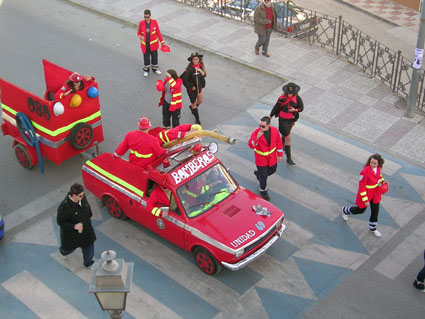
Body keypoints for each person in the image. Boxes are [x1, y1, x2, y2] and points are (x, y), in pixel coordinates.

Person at [342, 153, 386, 238]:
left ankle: (372, 228)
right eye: (371, 162)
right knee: (360, 210)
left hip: (375, 193)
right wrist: (365, 200)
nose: (372, 164)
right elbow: (361, 187)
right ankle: (345, 210)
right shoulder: (364, 172)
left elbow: (379, 176)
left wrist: (383, 181)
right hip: (367, 193)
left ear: (378, 164)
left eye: (374, 163)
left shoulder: (378, 168)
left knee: (375, 211)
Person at [57, 183, 96, 268]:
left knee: (89, 246)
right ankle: (63, 252)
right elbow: (60, 222)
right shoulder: (64, 207)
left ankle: (88, 263)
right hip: (73, 234)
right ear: (74, 195)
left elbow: (87, 206)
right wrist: (74, 226)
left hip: (86, 230)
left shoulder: (82, 198)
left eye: (83, 194)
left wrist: (89, 214)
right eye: (80, 196)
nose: (83, 197)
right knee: (68, 249)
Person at [248, 116, 283, 200]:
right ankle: (263, 190)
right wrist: (257, 138)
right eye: (259, 125)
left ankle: (258, 174)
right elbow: (251, 145)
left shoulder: (274, 131)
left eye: (263, 126)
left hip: (272, 157)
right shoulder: (256, 132)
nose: (260, 128)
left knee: (273, 170)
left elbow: (279, 143)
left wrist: (280, 154)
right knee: (264, 176)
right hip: (261, 159)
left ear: (268, 125)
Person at [270, 82, 304, 165]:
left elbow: (301, 108)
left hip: (291, 120)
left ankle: (281, 145)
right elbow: (276, 107)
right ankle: (289, 158)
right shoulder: (282, 98)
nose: (289, 95)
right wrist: (270, 116)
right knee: (288, 137)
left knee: (285, 135)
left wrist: (295, 110)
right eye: (288, 93)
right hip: (283, 121)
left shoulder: (297, 98)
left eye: (291, 93)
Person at [137, 9, 166, 77]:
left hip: (153, 45)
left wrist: (162, 42)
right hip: (145, 45)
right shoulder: (141, 23)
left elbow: (158, 33)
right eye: (145, 17)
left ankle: (155, 69)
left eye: (147, 17)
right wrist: (140, 36)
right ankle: (146, 70)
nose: (146, 19)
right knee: (146, 58)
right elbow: (139, 32)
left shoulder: (154, 22)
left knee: (154, 57)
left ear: (150, 16)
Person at [180, 52, 206, 125]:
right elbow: (183, 79)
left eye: (196, 59)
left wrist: (200, 70)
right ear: (191, 60)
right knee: (194, 103)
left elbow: (204, 75)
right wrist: (191, 86)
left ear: (199, 59)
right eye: (193, 59)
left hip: (199, 87)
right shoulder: (189, 69)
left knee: (200, 101)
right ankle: (197, 119)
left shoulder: (201, 66)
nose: (195, 61)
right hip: (192, 90)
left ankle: (192, 108)